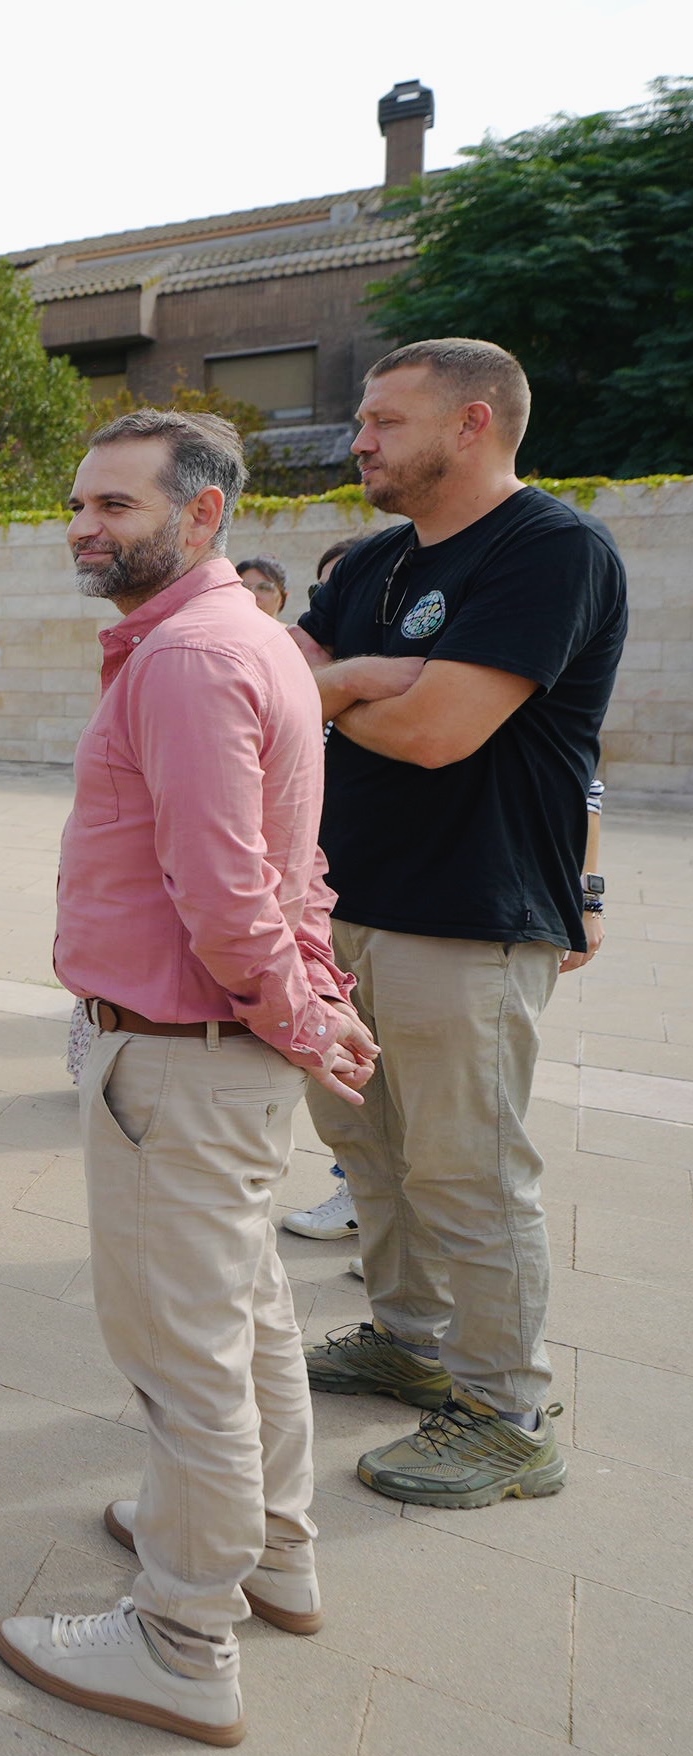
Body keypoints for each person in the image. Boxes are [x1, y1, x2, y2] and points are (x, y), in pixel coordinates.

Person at [0, 409, 377, 1748]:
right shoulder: (248, 645)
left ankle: (178, 1633)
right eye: (78, 501)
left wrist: (294, 1005)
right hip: (220, 1053)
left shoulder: (187, 658)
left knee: (184, 1355)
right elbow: (288, 867)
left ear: (201, 516)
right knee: (246, 1314)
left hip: (177, 1057)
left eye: (113, 504)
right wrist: (311, 1002)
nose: (81, 526)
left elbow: (224, 894)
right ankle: (267, 1547)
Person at [291, 338, 626, 1508]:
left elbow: (441, 730)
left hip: (470, 914)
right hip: (344, 906)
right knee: (366, 1150)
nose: (359, 441)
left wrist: (337, 688)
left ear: (473, 423)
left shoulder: (553, 550)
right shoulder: (378, 560)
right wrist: (353, 680)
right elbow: (289, 681)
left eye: (384, 420)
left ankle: (506, 1412)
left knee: (466, 1170)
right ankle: (409, 1340)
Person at [282, 535, 367, 1244]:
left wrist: (589, 896)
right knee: (341, 1092)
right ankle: (353, 1191)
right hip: (317, 898)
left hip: (403, 906)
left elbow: (432, 728)